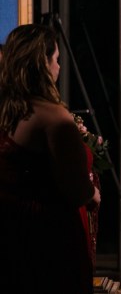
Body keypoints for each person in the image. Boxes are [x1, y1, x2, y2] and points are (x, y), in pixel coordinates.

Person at [0, 23, 100, 294]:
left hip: (9, 234)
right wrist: (92, 193)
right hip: (46, 238)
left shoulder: (7, 112)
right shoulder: (53, 118)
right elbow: (75, 190)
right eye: (56, 59)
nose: (59, 66)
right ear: (41, 64)